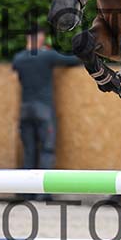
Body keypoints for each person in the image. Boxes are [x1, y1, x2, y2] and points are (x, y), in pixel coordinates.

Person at [12, 27, 81, 168]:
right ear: (39, 38)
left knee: (29, 151)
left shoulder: (18, 59)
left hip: (25, 109)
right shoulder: (47, 56)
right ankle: (44, 183)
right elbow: (73, 60)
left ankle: (26, 182)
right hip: (43, 109)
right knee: (47, 149)